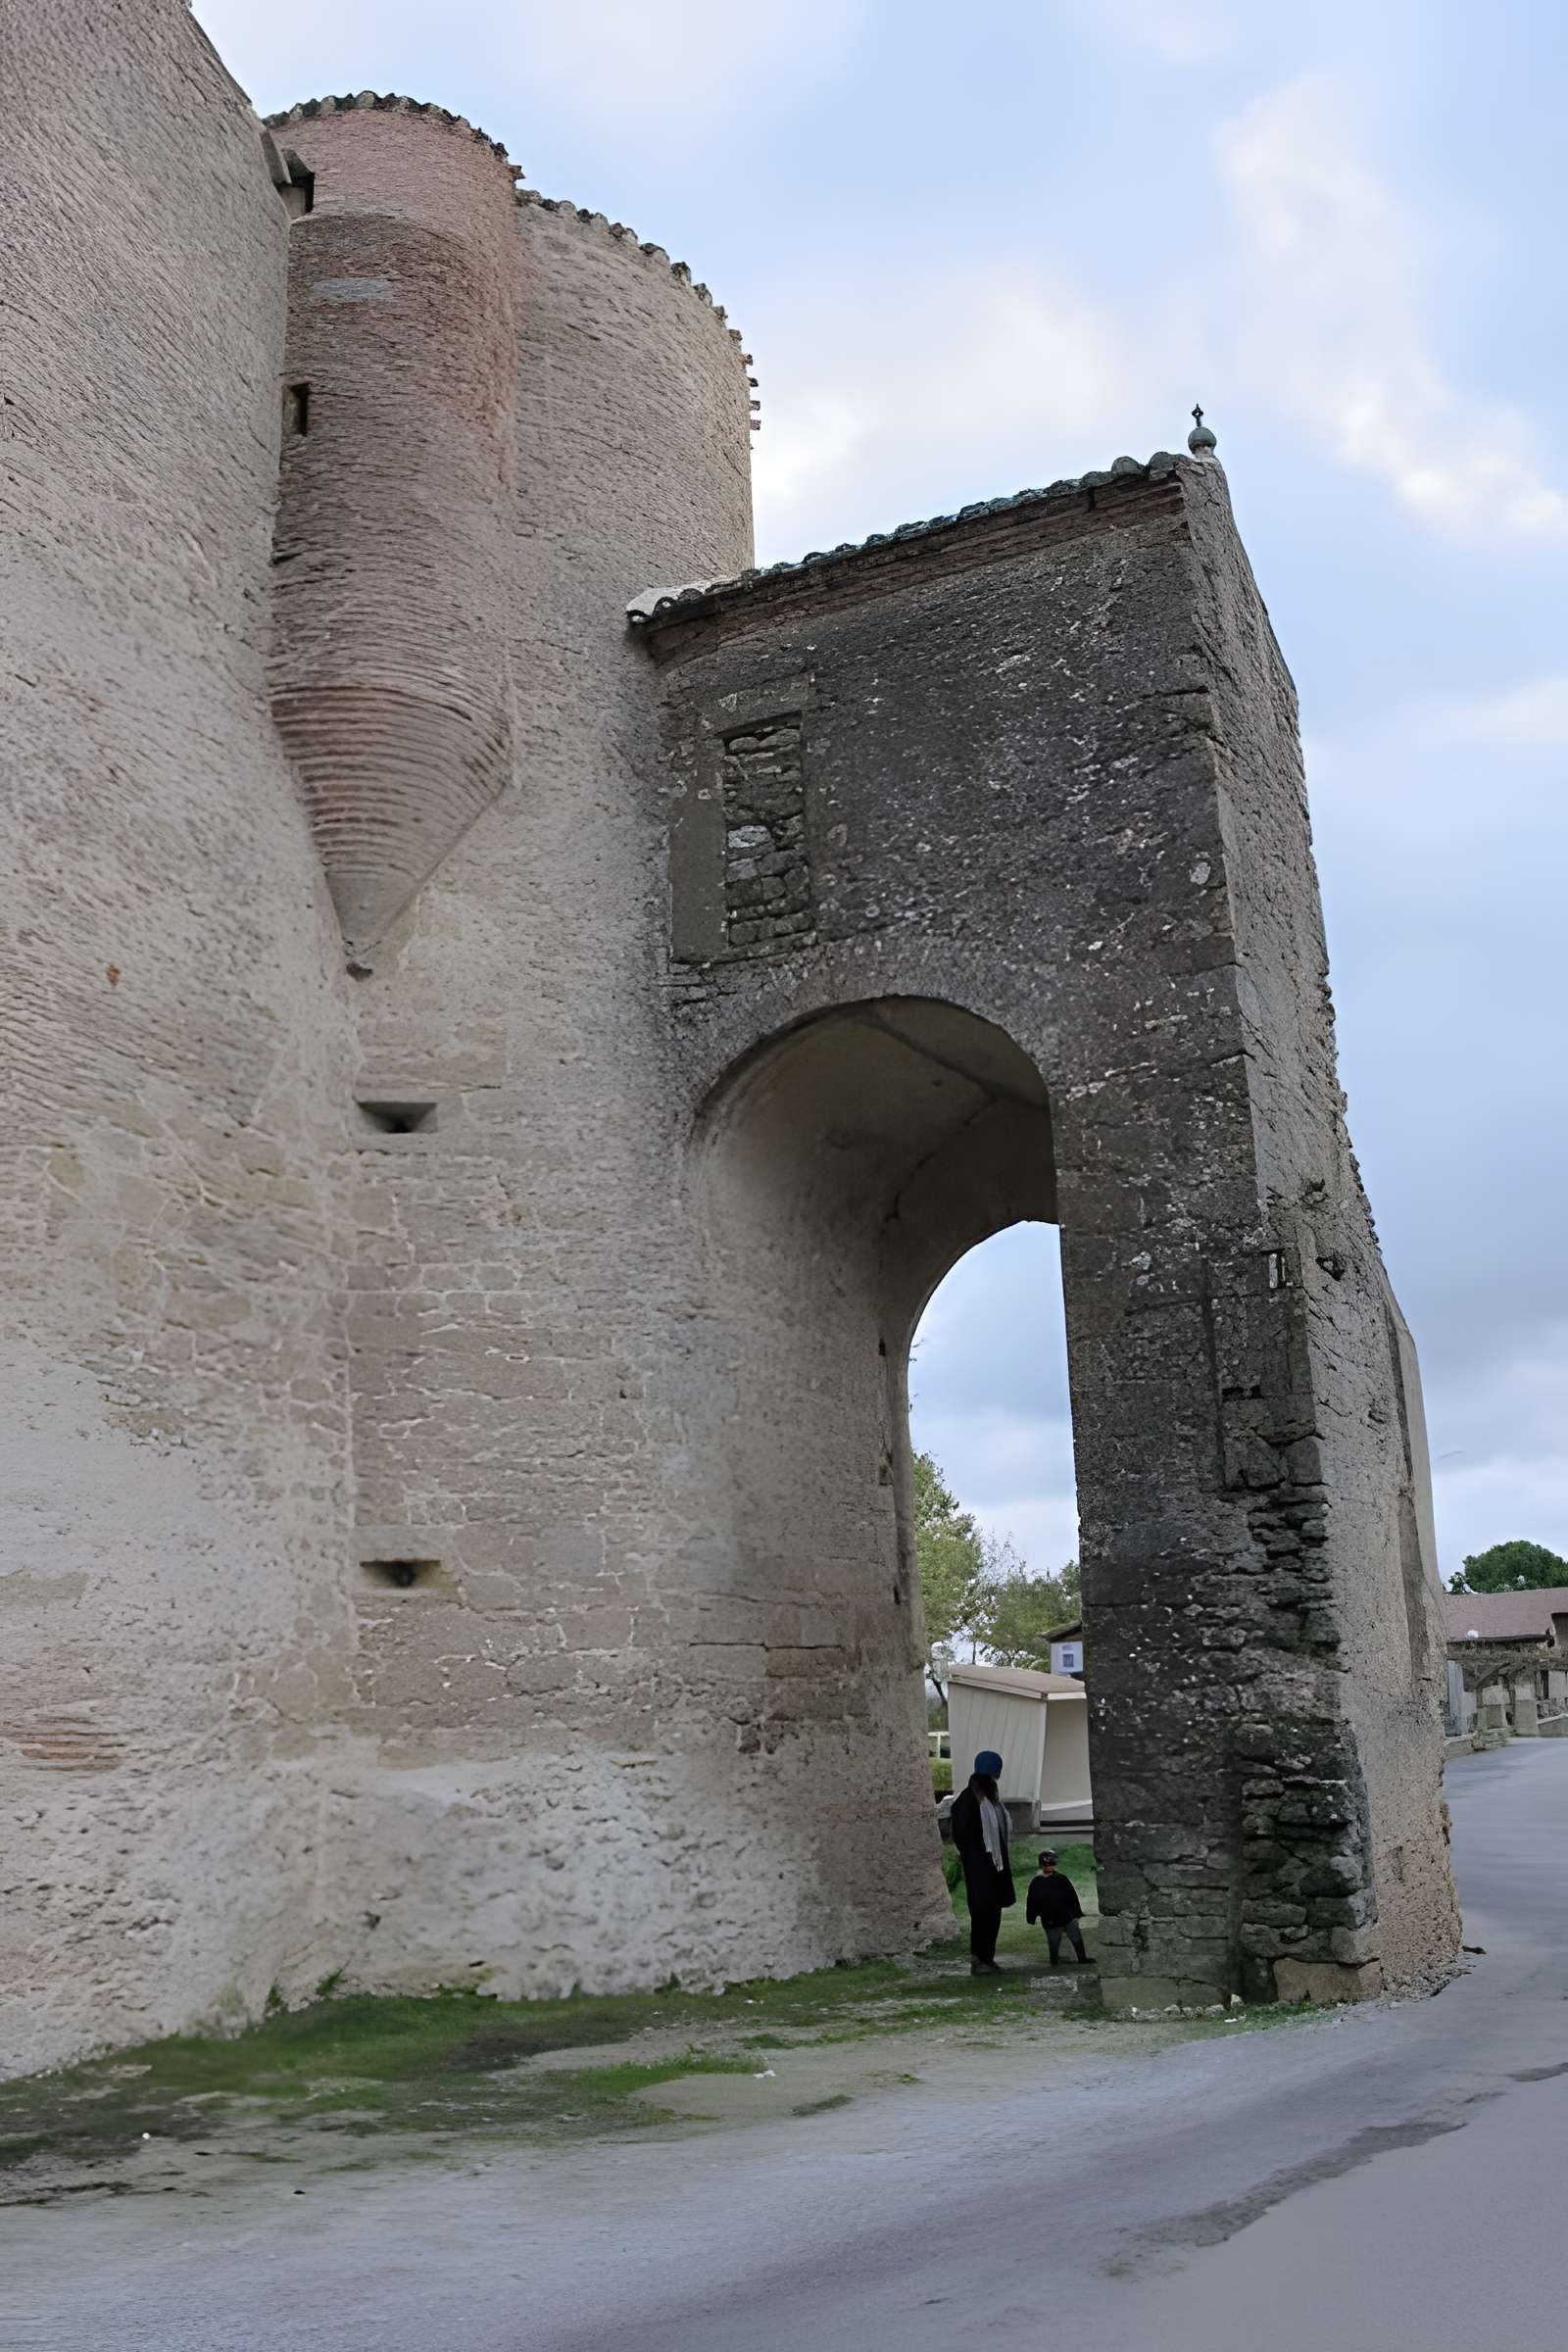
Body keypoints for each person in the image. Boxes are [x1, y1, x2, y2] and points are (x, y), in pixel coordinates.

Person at [949, 1750, 1014, 1974]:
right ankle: (980, 1958)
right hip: (980, 1869)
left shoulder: (989, 1801)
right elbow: (963, 1837)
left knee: (991, 1913)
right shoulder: (968, 1802)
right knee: (982, 1913)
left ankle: (986, 1957)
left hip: (992, 1868)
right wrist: (977, 1860)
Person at [1026, 1848, 1090, 1966]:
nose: (1048, 1866)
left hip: (1066, 1915)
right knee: (1053, 1941)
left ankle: (1082, 1958)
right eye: (1046, 1864)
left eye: (1050, 1864)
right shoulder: (1036, 1882)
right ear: (1041, 1865)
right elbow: (1032, 1901)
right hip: (1049, 1917)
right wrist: (1031, 1916)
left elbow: (1072, 1896)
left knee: (1075, 1936)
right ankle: (1054, 1962)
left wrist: (1077, 1912)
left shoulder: (1061, 1879)